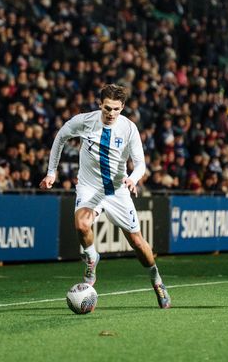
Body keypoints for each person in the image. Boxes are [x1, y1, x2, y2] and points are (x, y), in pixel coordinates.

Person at [39, 84, 171, 309]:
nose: (111, 113)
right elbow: (60, 137)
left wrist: (133, 179)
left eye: (116, 109)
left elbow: (140, 164)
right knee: (82, 225)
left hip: (117, 190)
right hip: (89, 187)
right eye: (107, 108)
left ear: (123, 107)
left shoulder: (129, 128)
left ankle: (157, 280)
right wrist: (52, 172)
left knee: (137, 242)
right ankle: (91, 257)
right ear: (100, 104)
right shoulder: (84, 121)